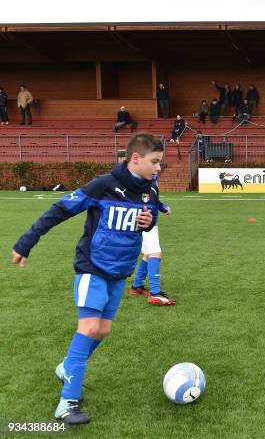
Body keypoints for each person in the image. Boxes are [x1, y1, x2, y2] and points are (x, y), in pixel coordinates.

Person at [11, 133, 163, 424]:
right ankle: (67, 403)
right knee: (89, 327)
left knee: (103, 331)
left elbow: (150, 217)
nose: (158, 168)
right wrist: (27, 241)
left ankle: (68, 365)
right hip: (92, 268)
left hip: (120, 272)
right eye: (154, 162)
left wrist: (149, 221)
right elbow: (61, 209)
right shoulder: (103, 185)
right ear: (135, 158)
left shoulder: (150, 191)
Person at [130, 174, 175, 305]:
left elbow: (154, 202)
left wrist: (163, 207)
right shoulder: (141, 180)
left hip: (151, 224)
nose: (158, 168)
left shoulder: (153, 180)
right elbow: (140, 201)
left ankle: (137, 286)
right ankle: (155, 293)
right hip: (144, 224)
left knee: (148, 254)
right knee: (155, 252)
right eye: (154, 162)